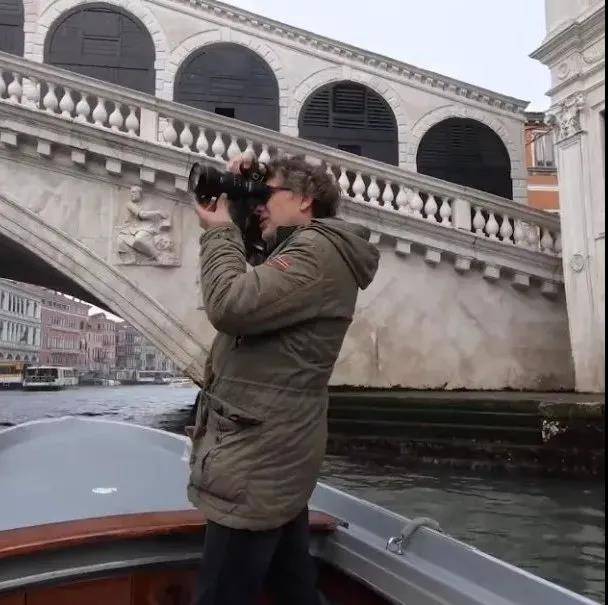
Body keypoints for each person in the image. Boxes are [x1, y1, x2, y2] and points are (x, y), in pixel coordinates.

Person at [188, 154, 380, 605]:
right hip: (275, 447)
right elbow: (256, 262)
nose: (260, 205)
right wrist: (239, 205)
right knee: (293, 589)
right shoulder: (308, 250)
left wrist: (217, 232)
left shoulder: (315, 254)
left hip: (257, 457)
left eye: (268, 194)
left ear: (305, 199)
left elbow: (231, 304)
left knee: (222, 595)